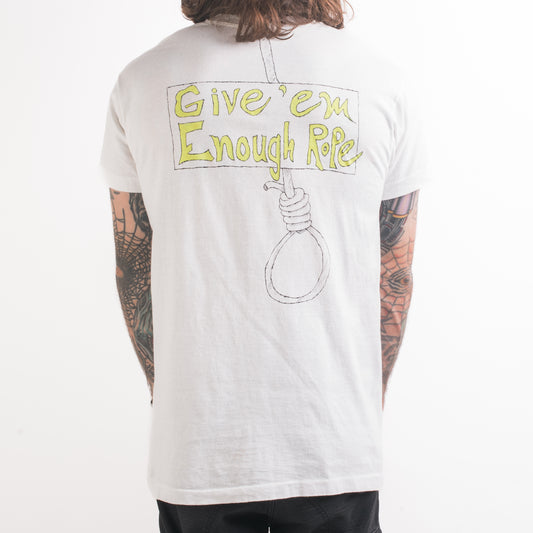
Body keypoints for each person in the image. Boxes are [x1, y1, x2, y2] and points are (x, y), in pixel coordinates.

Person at [99, 1, 428, 531]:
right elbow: (396, 271)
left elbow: (132, 266)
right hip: (334, 439)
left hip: (198, 441)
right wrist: (364, 401)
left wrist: (169, 392)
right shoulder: (382, 81)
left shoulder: (142, 81)